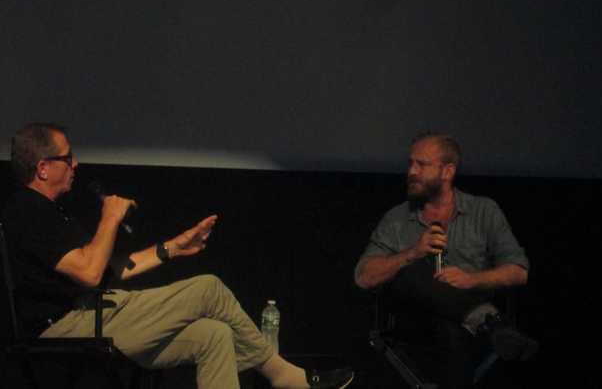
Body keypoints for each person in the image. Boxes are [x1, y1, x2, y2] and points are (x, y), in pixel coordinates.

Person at [2, 123, 353, 389]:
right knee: (208, 289)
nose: (75, 163)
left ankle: (266, 367)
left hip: (97, 312)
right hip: (68, 328)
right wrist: (109, 217)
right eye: (67, 157)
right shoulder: (26, 211)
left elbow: (109, 269)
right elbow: (91, 274)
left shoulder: (52, 213)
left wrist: (174, 247)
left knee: (213, 335)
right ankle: (283, 375)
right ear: (44, 167)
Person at [355, 132, 536, 389]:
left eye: (422, 164)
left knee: (450, 327)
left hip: (459, 331)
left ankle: (479, 322)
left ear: (448, 171)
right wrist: (413, 252)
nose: (412, 171)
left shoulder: (484, 211)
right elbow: (363, 276)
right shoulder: (396, 219)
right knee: (413, 271)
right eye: (410, 163)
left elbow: (519, 271)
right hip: (414, 324)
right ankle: (489, 323)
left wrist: (471, 280)